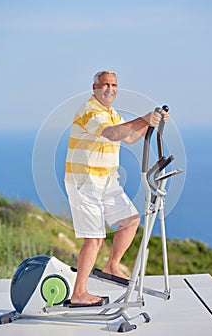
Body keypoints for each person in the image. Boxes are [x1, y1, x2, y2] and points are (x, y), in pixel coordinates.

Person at [64, 71, 169, 306]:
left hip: (107, 182)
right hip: (85, 182)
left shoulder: (111, 114)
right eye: (105, 85)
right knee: (94, 240)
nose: (110, 88)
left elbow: (128, 137)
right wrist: (144, 118)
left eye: (113, 85)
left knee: (131, 220)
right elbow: (112, 134)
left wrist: (153, 120)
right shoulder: (89, 111)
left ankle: (112, 265)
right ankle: (79, 293)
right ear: (94, 87)